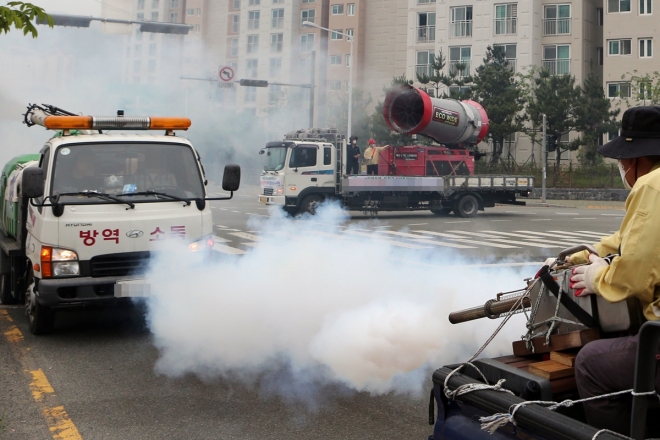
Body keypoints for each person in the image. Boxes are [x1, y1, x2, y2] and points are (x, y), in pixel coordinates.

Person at [548, 105, 660, 436]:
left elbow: (636, 275)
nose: (623, 167)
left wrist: (598, 278)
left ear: (637, 159)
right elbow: (634, 239)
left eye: (624, 160)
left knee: (591, 362)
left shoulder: (652, 185)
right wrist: (594, 252)